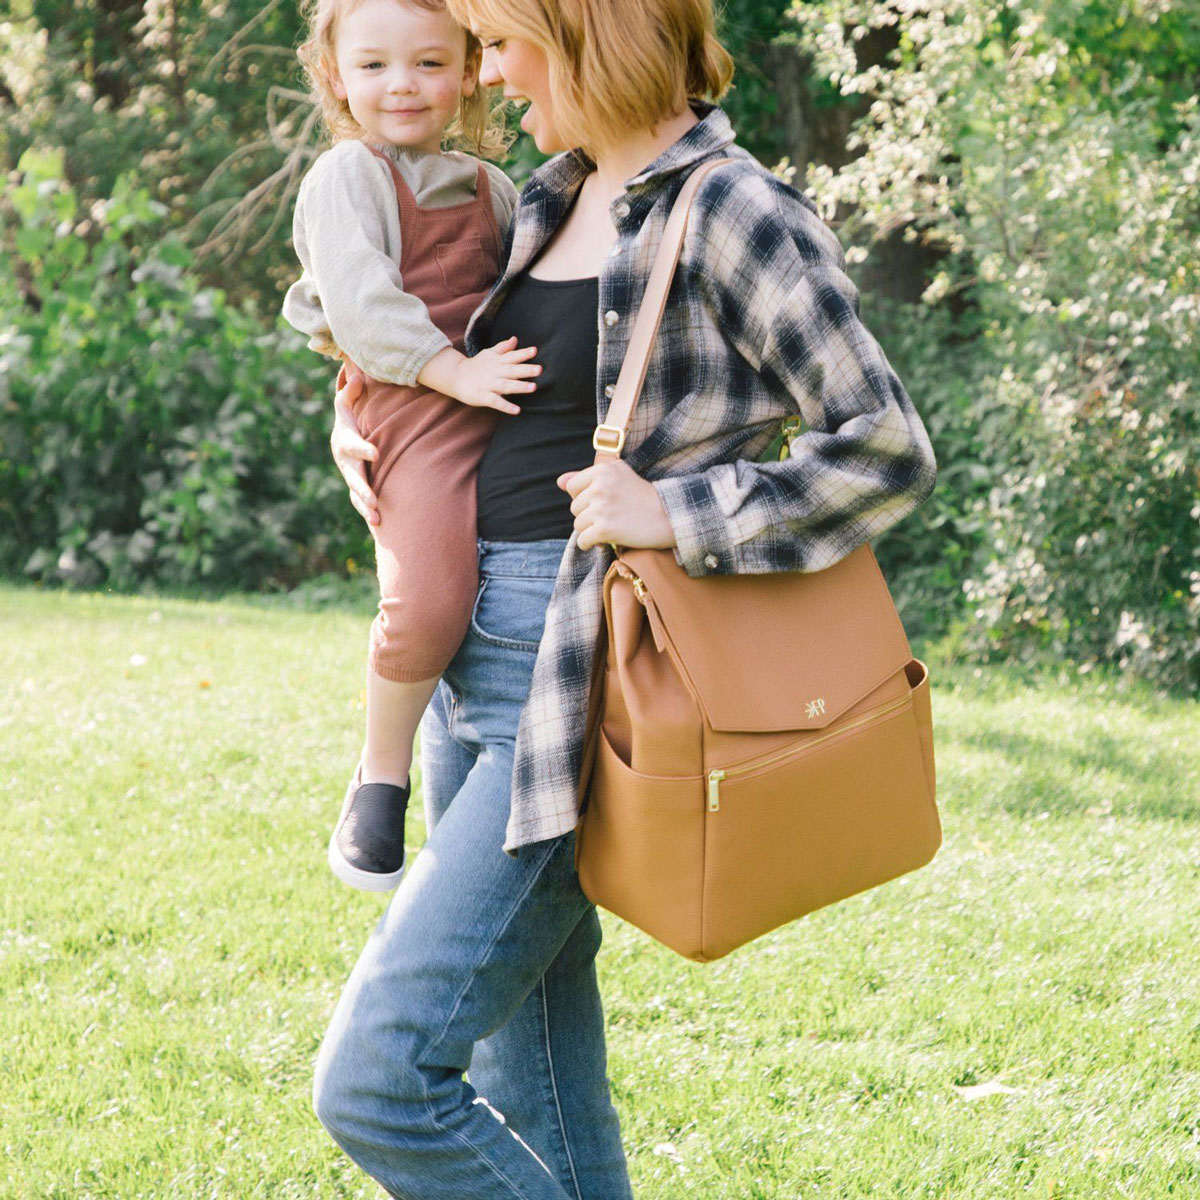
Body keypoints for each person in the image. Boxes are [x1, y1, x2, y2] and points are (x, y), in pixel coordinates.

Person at [312, 0, 938, 1194]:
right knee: (531, 1065)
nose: (485, 73)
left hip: (582, 673)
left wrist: (679, 512)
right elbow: (430, 348)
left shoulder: (732, 207)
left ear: (584, 30)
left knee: (381, 1080)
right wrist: (360, 431)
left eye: (501, 41)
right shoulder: (546, 192)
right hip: (466, 663)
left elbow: (887, 445)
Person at [282, 0, 543, 892]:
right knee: (431, 594)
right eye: (376, 66)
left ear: (472, 71)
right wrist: (450, 373)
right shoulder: (347, 177)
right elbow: (360, 308)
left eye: (432, 64)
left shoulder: (491, 187)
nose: (404, 85)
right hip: (413, 402)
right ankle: (381, 772)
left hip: (490, 395)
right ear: (338, 76)